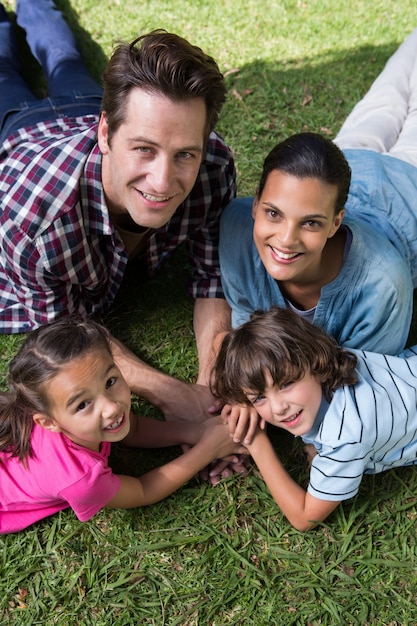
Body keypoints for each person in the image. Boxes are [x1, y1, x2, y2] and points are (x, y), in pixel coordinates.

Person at [0, 1, 235, 424]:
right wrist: (173, 395)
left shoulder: (213, 166)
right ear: (106, 132)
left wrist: (210, 385)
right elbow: (67, 335)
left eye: (184, 153)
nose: (163, 181)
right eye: (144, 149)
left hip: (81, 106)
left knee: (64, 56)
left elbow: (211, 275)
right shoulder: (33, 221)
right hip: (18, 132)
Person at [219, 27, 417, 355]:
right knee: (391, 88)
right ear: (255, 205)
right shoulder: (235, 229)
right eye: (273, 213)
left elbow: (363, 385)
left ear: (335, 223)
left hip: (407, 186)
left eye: (310, 223)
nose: (285, 238)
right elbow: (244, 322)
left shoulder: (382, 286)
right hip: (348, 160)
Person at [0, 317, 245, 534]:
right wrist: (207, 450)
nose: (112, 407)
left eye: (110, 381)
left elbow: (133, 429)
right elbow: (142, 490)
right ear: (49, 423)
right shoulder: (80, 479)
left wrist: (198, 431)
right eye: (83, 404)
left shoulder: (68, 414)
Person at [211, 306, 417, 532]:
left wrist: (256, 442)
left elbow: (304, 518)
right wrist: (243, 400)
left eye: (287, 384)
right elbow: (220, 342)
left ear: (315, 365)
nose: (279, 408)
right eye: (259, 398)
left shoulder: (345, 436)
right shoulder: (325, 359)